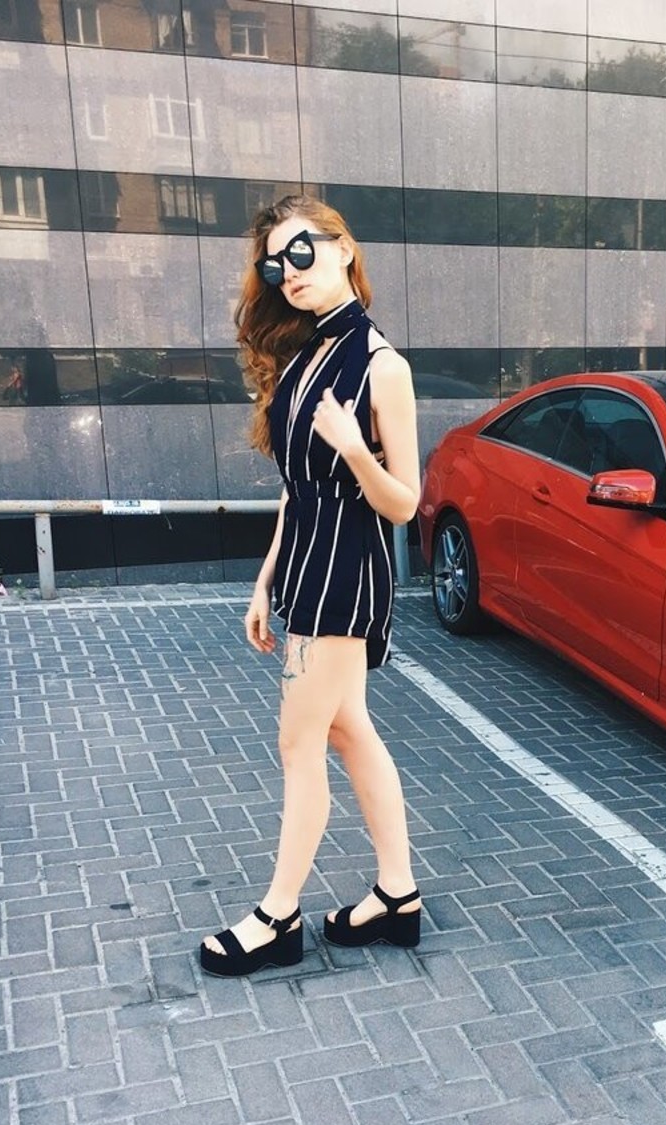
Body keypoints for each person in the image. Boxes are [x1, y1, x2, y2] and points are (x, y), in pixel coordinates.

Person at [199, 195, 422, 976]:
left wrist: (357, 450)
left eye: (302, 252)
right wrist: (265, 580)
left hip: (347, 569)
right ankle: (397, 895)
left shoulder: (383, 365)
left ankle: (278, 915)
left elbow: (406, 501)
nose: (288, 273)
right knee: (347, 728)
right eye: (274, 265)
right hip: (305, 564)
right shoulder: (303, 357)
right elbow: (296, 489)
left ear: (342, 248)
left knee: (299, 741)